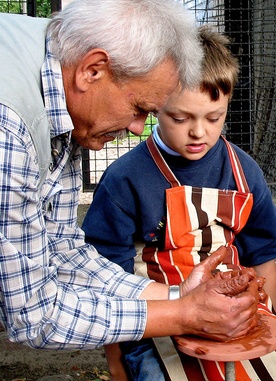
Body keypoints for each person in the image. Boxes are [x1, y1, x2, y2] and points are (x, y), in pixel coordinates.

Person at [0, 0, 259, 354]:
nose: (139, 129)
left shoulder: (64, 79)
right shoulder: (9, 127)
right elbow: (34, 315)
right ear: (93, 70)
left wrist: (177, 295)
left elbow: (63, 252)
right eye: (139, 109)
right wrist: (183, 315)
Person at [82, 25, 276, 380]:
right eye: (180, 118)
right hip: (155, 325)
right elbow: (104, 278)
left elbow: (265, 253)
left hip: (234, 319)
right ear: (156, 104)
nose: (198, 132)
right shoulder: (126, 179)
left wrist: (263, 318)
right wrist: (116, 364)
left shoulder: (243, 170)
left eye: (214, 117)